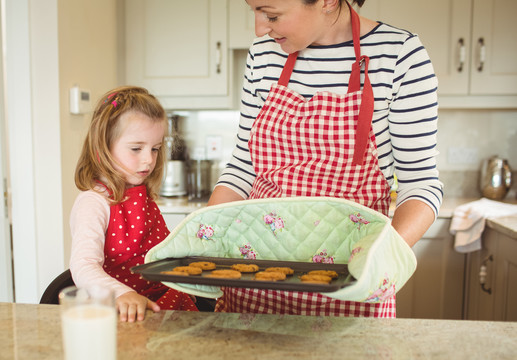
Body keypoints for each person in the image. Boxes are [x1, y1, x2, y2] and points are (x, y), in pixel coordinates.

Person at [207, 0, 443, 317]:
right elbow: (243, 168)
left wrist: (382, 260)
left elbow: (421, 185)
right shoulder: (263, 55)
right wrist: (206, 235)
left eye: (272, 15)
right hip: (254, 284)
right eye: (256, 12)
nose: (260, 28)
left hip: (352, 285)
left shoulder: (399, 54)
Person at [70, 86, 198, 322]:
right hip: (122, 314)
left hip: (165, 306)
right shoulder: (94, 202)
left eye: (156, 149)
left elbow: (162, 253)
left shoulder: (142, 195)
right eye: (136, 148)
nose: (149, 159)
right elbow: (83, 265)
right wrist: (123, 293)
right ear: (103, 146)